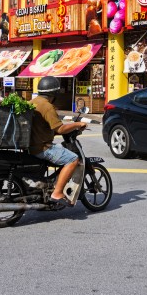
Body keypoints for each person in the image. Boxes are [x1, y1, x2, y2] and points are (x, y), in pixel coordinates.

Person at [29, 76, 87, 209]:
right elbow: (60, 128)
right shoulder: (47, 106)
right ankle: (57, 192)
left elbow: (44, 128)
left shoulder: (32, 102)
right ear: (53, 94)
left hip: (32, 146)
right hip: (43, 147)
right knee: (73, 159)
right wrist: (77, 124)